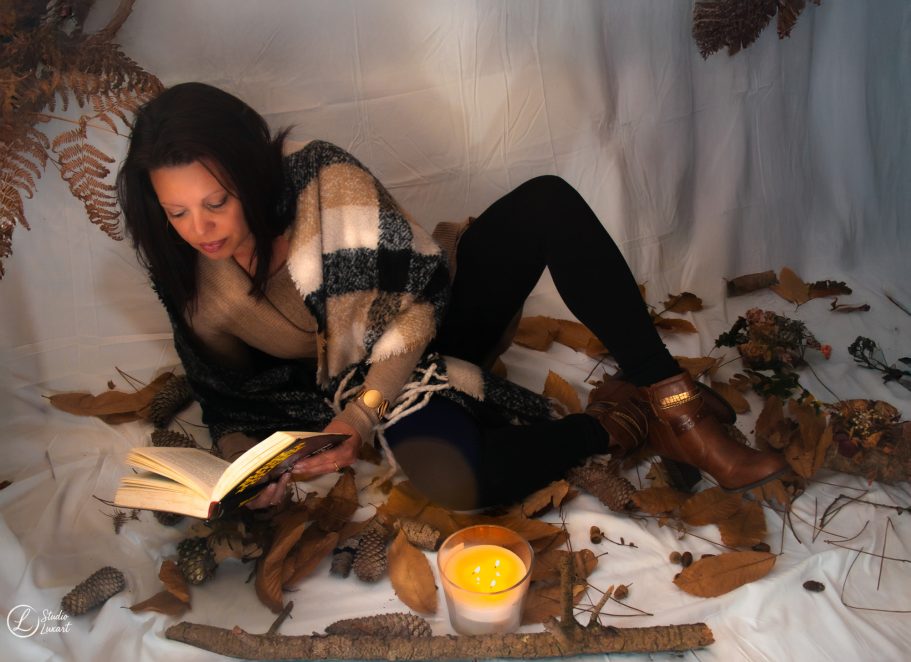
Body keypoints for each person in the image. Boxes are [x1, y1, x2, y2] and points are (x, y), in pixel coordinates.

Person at [117, 82, 788, 511]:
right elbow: (233, 396)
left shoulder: (319, 178)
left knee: (546, 203)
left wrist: (362, 415)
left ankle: (676, 408)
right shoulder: (189, 282)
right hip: (360, 385)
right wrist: (247, 470)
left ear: (250, 173)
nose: (199, 229)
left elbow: (410, 309)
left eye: (216, 202)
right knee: (463, 485)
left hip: (430, 323)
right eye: (177, 213)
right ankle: (618, 423)